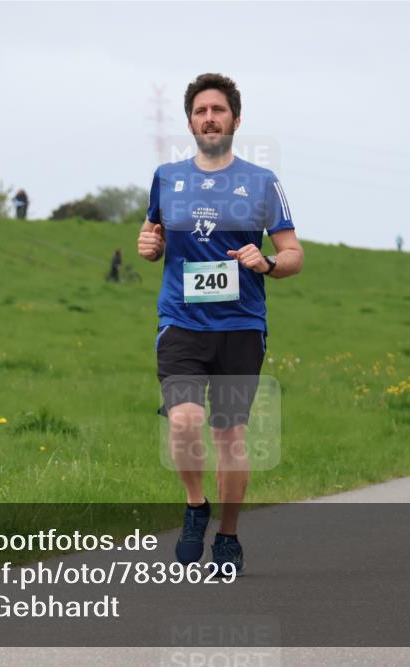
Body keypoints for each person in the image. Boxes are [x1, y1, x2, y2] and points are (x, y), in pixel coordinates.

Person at [137, 73, 303, 574]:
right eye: (201, 111)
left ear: (236, 119)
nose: (209, 118)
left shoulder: (262, 181)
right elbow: (152, 236)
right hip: (181, 322)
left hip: (240, 326)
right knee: (184, 422)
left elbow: (293, 254)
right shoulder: (167, 177)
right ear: (190, 122)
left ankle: (228, 535)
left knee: (229, 436)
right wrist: (150, 246)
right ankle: (196, 505)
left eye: (218, 110)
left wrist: (266, 262)